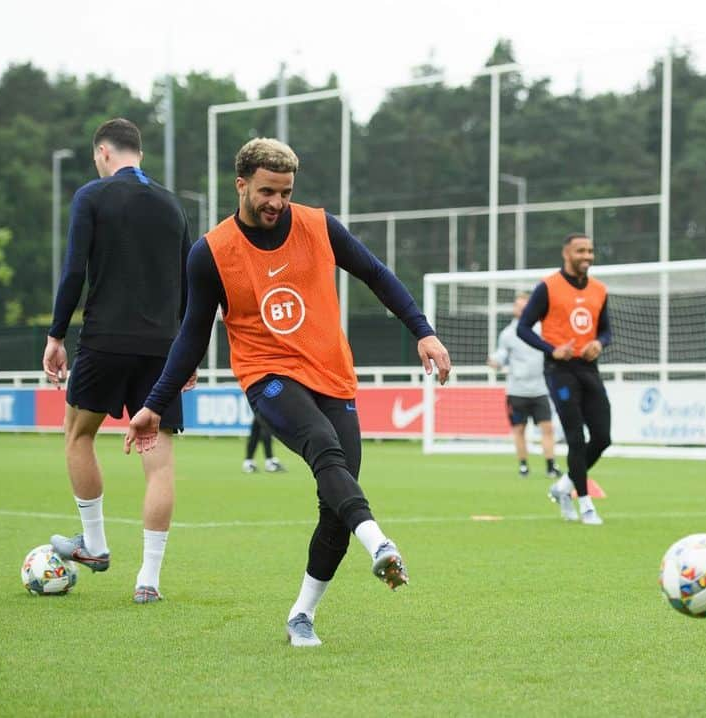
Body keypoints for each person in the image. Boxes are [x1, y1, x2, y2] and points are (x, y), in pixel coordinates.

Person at [124, 138, 451, 647]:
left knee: (335, 505)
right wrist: (152, 404)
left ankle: (302, 614)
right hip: (267, 375)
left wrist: (423, 331)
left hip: (333, 375)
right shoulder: (210, 253)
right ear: (241, 185)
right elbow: (192, 334)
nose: (276, 202)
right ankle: (381, 543)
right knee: (324, 445)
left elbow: (376, 274)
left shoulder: (319, 226)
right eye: (266, 191)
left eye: (285, 191)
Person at [42, 118, 194, 604]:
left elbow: (74, 272)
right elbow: (191, 288)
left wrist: (56, 334)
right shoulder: (173, 206)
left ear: (103, 153)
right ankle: (148, 580)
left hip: (106, 340)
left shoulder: (92, 196)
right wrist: (188, 355)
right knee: (159, 464)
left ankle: (96, 545)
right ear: (140, 154)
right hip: (163, 350)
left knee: (78, 435)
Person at [517, 233, 611, 526]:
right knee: (575, 437)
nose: (587, 256)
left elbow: (606, 330)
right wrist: (552, 349)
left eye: (590, 251)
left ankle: (563, 487)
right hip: (560, 371)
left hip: (588, 368)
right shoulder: (548, 287)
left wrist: (601, 343)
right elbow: (524, 328)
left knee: (603, 437)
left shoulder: (600, 290)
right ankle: (585, 505)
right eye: (580, 251)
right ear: (566, 254)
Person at [487, 292, 562, 479]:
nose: (521, 309)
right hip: (517, 390)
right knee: (519, 429)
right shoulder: (507, 334)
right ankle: (523, 466)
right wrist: (495, 361)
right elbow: (501, 355)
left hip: (540, 389)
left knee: (547, 428)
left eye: (524, 306)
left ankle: (551, 466)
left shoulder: (542, 329)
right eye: (518, 306)